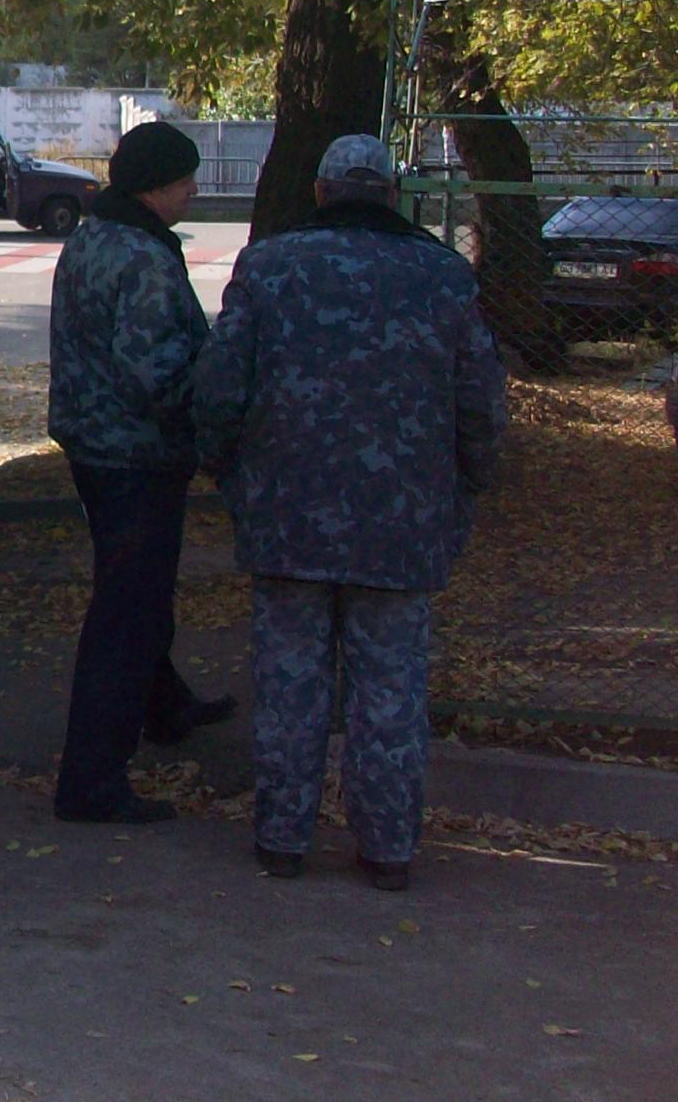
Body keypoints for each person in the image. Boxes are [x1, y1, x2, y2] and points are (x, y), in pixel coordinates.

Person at [191, 134, 506, 890]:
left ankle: (282, 840)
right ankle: (388, 849)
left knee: (290, 685)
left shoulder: (269, 267)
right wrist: (468, 486)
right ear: (391, 195)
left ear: (320, 193)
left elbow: (219, 385)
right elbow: (481, 404)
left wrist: (225, 470)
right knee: (391, 691)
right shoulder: (444, 276)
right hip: (402, 525)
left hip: (288, 517)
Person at [47, 117, 233, 823]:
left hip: (95, 443)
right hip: (136, 453)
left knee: (136, 594)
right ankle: (92, 780)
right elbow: (157, 373)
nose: (193, 192)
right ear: (154, 187)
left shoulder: (92, 236)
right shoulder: (144, 259)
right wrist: (217, 416)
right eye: (185, 181)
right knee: (128, 611)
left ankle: (166, 705)